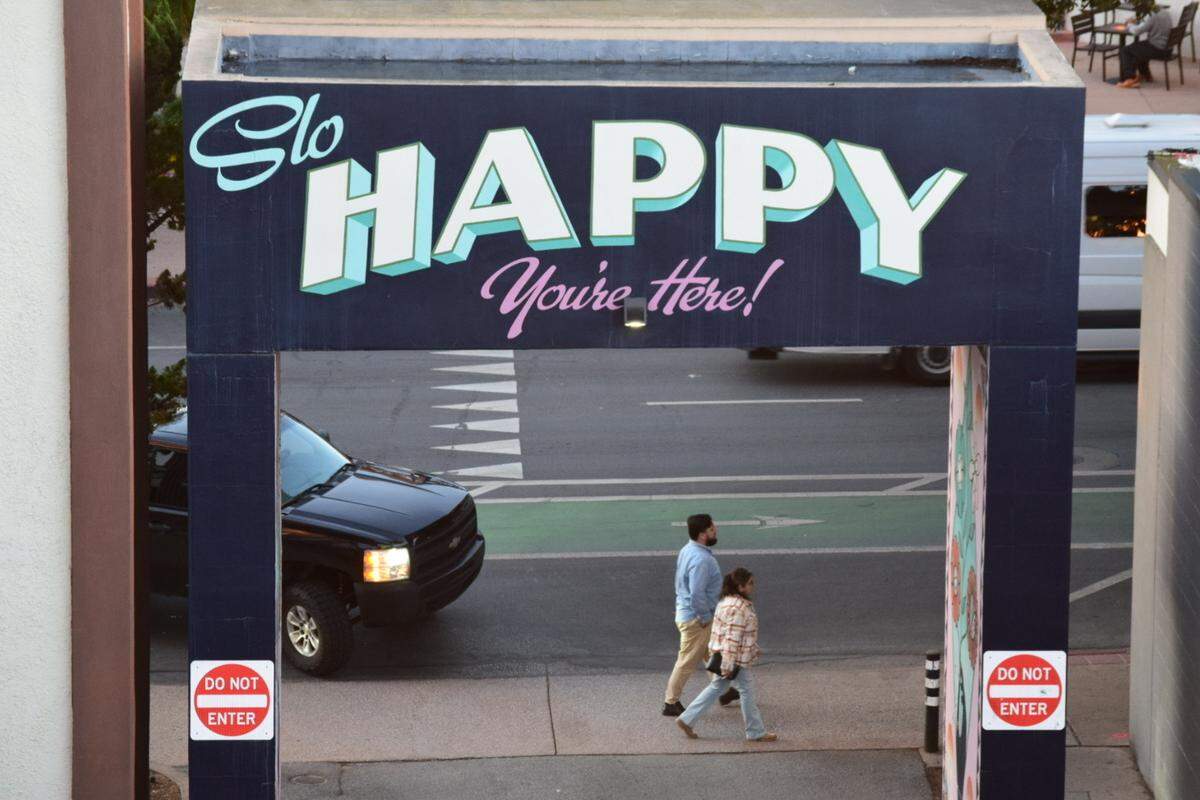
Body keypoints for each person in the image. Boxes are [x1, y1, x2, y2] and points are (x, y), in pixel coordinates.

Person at [676, 567, 778, 742]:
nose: (753, 586)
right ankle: (755, 732)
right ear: (740, 587)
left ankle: (687, 719)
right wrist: (728, 665)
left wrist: (753, 648)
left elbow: (732, 633)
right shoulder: (738, 608)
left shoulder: (725, 602)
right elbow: (732, 637)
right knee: (746, 691)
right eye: (750, 583)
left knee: (717, 687)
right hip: (734, 659)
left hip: (724, 654)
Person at [662, 514, 739, 716]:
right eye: (712, 529)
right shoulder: (702, 560)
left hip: (690, 613)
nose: (716, 530)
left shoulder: (687, 550)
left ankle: (723, 691)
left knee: (712, 654)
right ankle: (670, 702)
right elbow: (697, 593)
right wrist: (704, 617)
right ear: (703, 534)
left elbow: (681, 583)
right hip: (697, 619)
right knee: (687, 661)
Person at [1117, 6, 1174, 89]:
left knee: (1125, 50)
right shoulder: (1165, 12)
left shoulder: (1152, 15)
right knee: (1139, 48)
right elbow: (1148, 23)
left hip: (1158, 49)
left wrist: (1129, 24)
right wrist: (1139, 22)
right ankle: (1145, 75)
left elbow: (1137, 31)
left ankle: (1129, 79)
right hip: (1167, 49)